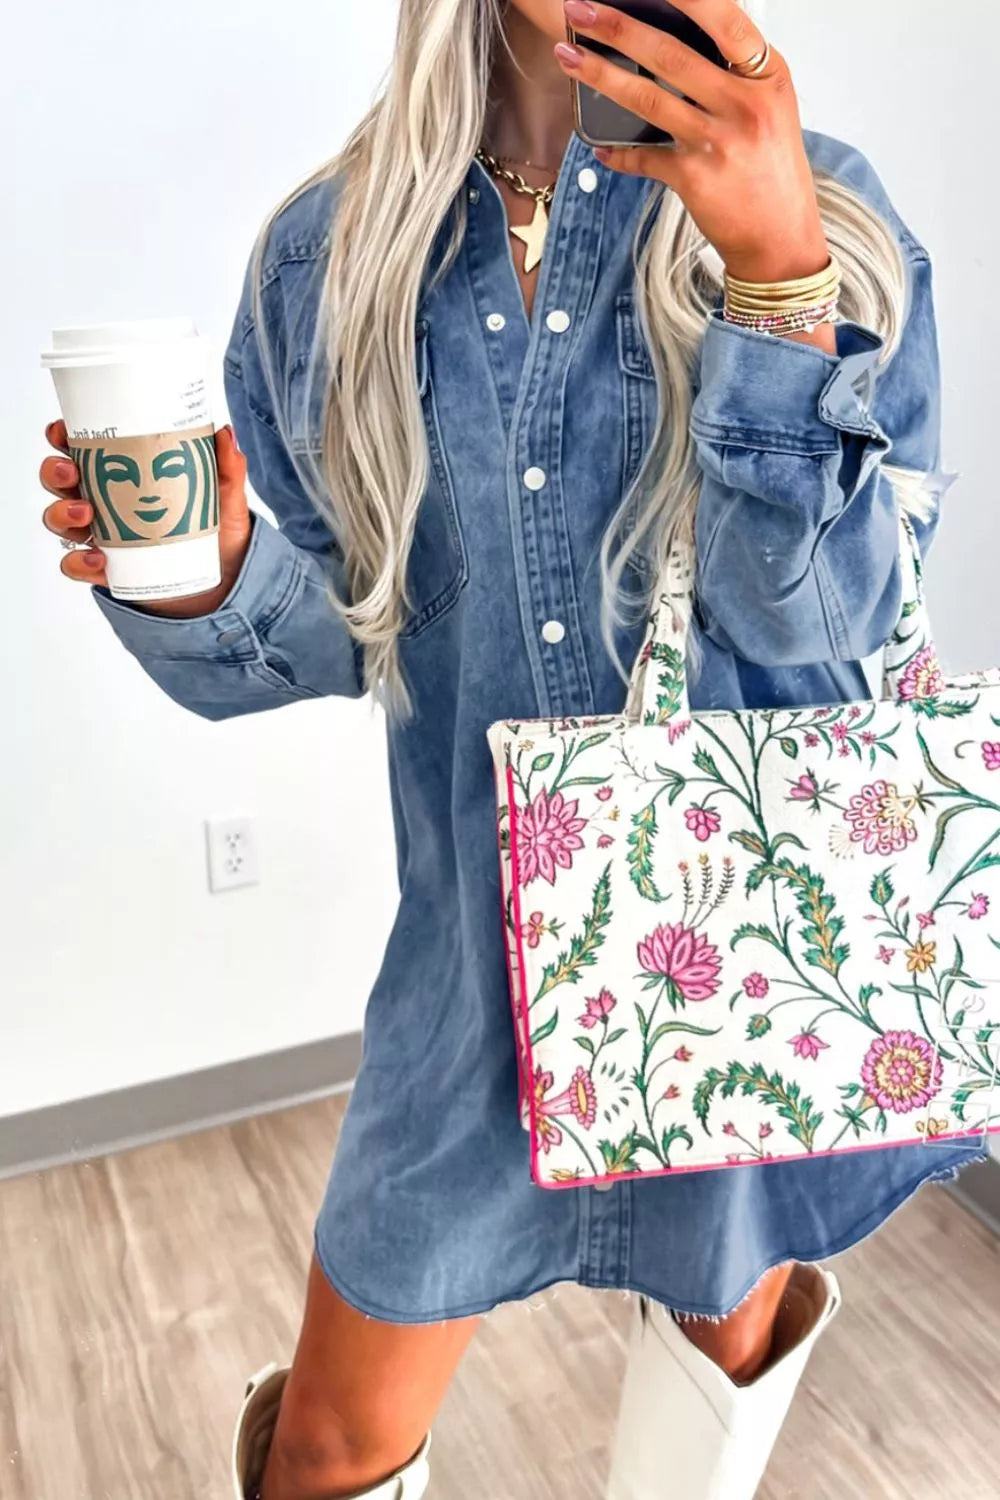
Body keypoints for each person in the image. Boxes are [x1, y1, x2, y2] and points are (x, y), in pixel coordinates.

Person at [40, 1, 982, 1496]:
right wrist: (217, 574)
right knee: (330, 1442)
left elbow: (814, 623)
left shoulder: (836, 213)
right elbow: (356, 634)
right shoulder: (328, 257)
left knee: (716, 1358)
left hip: (743, 943)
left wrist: (777, 279)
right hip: (475, 979)